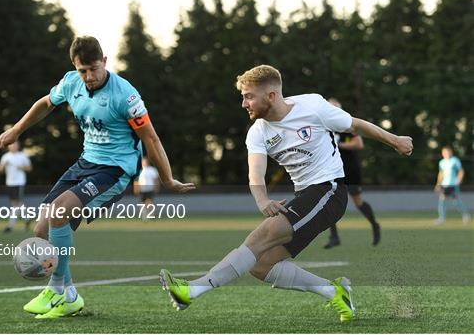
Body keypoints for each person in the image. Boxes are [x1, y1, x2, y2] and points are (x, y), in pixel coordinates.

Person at [159, 65, 413, 323]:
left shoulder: (313, 106)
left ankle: (191, 290)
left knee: (262, 235)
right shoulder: (257, 131)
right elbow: (255, 175)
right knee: (260, 265)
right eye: (243, 96)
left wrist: (396, 140)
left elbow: (355, 125)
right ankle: (334, 291)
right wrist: (262, 200)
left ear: (271, 95)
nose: (244, 103)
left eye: (249, 96)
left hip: (330, 192)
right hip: (305, 196)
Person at [0, 36, 194, 319]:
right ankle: (71, 296)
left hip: (114, 171)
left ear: (105, 62)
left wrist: (167, 178)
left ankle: (56, 290)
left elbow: (151, 137)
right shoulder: (71, 82)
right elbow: (46, 103)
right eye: (82, 70)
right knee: (41, 230)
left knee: (59, 213)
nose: (88, 76)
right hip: (85, 163)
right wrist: (17, 130)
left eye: (93, 69)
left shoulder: (125, 95)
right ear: (75, 68)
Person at [323, 98, 380, 249]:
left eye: (335, 108)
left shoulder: (344, 126)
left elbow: (359, 143)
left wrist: (339, 144)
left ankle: (375, 225)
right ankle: (334, 237)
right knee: (330, 202)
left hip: (350, 170)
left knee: (358, 202)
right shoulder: (323, 127)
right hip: (333, 170)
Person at [0, 141, 33, 233]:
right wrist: (3, 165)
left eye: (15, 144)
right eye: (11, 145)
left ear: (18, 146)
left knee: (16, 204)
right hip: (9, 183)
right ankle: (27, 218)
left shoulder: (22, 156)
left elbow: (29, 168)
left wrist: (22, 167)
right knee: (16, 204)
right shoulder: (5, 157)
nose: (13, 146)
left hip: (19, 182)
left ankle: (10, 225)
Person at [434, 146, 471, 225]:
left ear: (450, 153)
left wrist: (458, 180)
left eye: (447, 152)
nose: (446, 154)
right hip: (444, 185)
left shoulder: (455, 161)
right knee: (442, 201)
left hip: (453, 185)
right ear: (442, 153)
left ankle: (466, 215)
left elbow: (461, 171)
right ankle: (441, 218)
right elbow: (441, 173)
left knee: (456, 202)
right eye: (444, 152)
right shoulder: (442, 162)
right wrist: (438, 183)